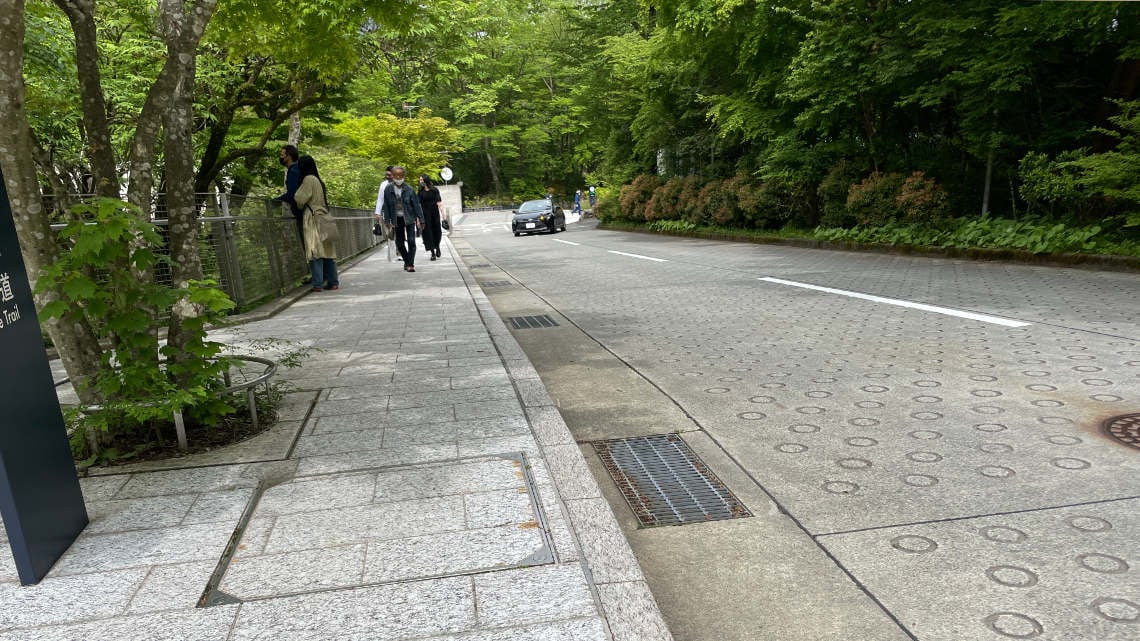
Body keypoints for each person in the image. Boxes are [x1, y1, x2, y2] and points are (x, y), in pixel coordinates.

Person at [293, 155, 339, 291]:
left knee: (314, 250)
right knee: (328, 250)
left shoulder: (308, 179)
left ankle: (317, 283)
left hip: (312, 218)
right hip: (323, 216)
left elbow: (300, 199)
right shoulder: (318, 180)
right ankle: (333, 281)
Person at [381, 166, 424, 272]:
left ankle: (410, 264)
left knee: (411, 241)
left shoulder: (409, 189)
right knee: (399, 243)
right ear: (393, 176)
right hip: (396, 219)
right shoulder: (388, 189)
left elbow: (416, 205)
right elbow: (386, 205)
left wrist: (421, 219)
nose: (398, 178)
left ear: (404, 176)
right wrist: (387, 220)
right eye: (396, 175)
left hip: (409, 217)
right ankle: (407, 261)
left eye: (400, 175)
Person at [271, 145, 304, 247]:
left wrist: (275, 202)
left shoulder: (293, 170)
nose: (280, 157)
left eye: (282, 155)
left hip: (302, 214)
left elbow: (293, 193)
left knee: (308, 247)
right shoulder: (298, 169)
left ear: (288, 156)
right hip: (305, 213)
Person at [373, 166, 397, 261]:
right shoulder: (383, 185)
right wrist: (377, 212)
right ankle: (392, 254)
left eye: (389, 175)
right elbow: (380, 199)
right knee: (389, 233)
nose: (387, 176)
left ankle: (399, 251)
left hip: (399, 213)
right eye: (386, 174)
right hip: (387, 212)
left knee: (399, 233)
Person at [418, 175, 443, 261]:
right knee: (427, 233)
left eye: (421, 180)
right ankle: (432, 253)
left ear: (426, 180)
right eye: (420, 180)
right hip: (425, 215)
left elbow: (439, 202)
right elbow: (419, 205)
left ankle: (437, 246)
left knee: (437, 232)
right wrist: (418, 218)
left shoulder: (434, 190)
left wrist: (443, 216)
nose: (420, 181)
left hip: (435, 214)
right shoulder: (420, 192)